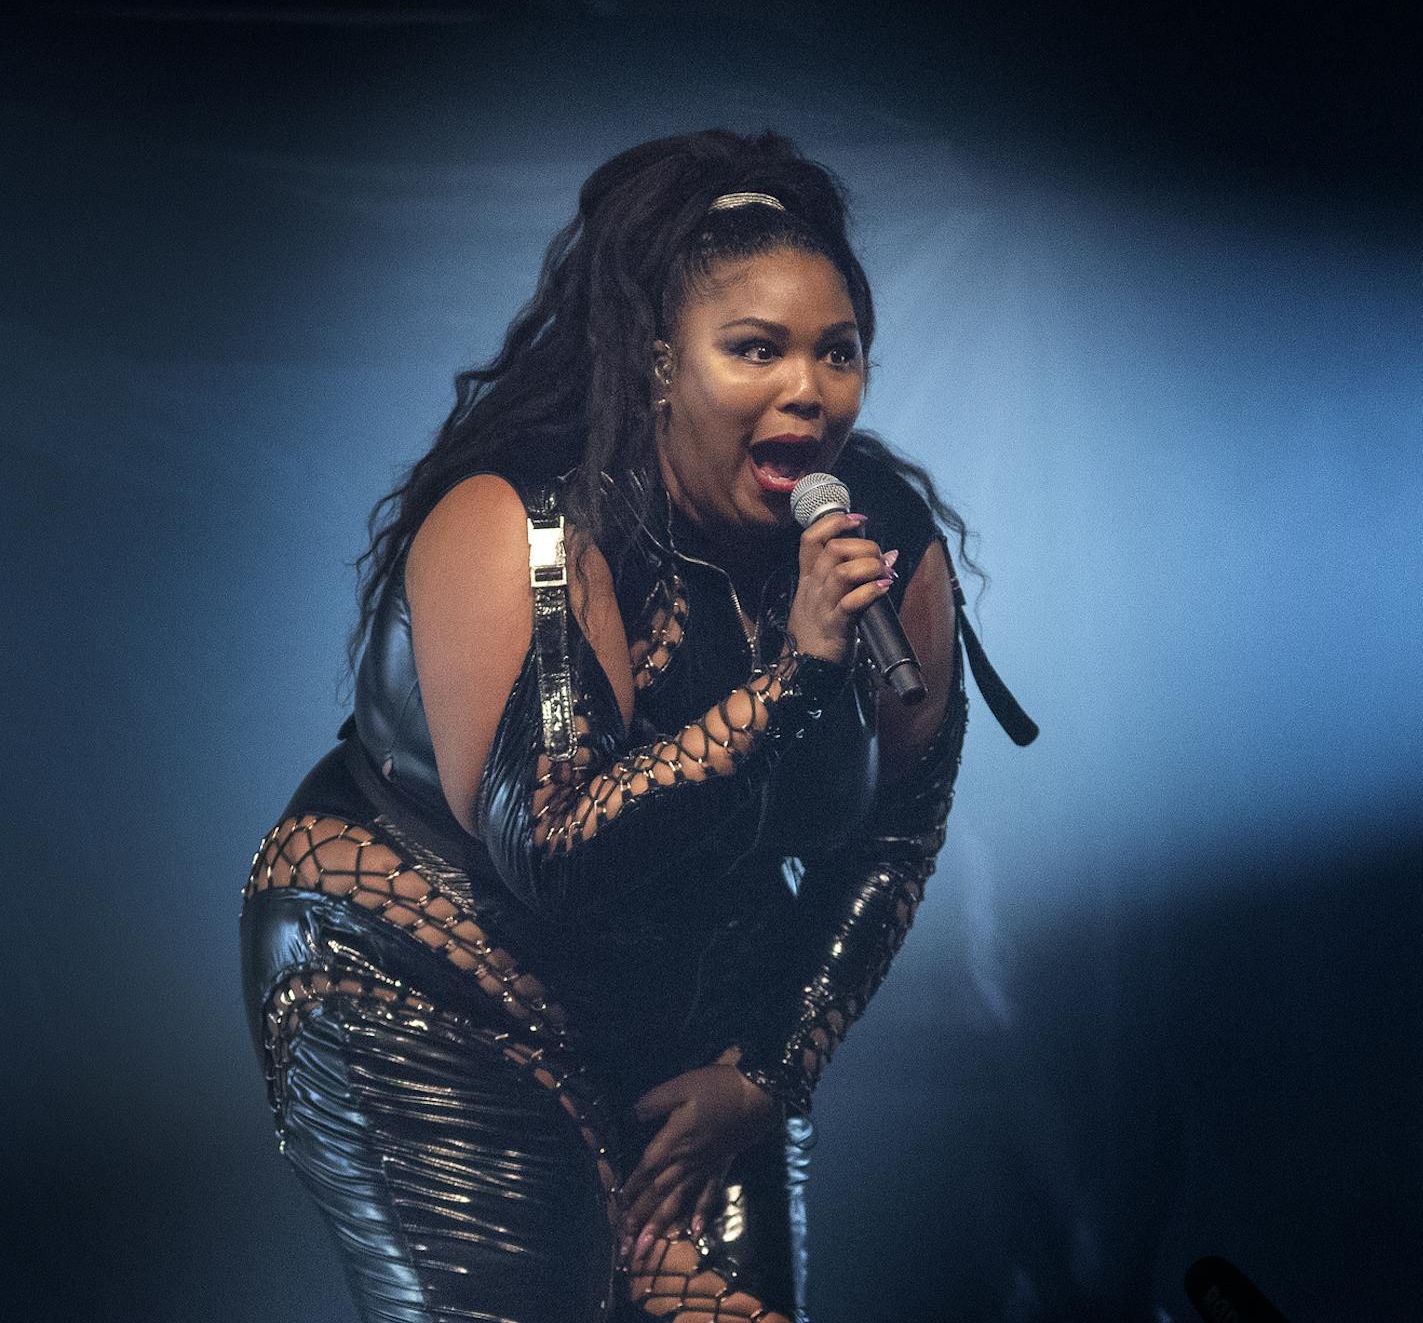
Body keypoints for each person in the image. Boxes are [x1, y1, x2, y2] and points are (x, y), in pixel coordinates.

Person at [239, 128, 1028, 1323]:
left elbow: (897, 835)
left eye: (839, 353)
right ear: (665, 364)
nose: (807, 391)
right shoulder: (537, 527)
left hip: (690, 996)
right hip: (434, 966)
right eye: (755, 349)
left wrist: (772, 1066)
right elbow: (553, 845)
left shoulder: (885, 543)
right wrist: (795, 677)